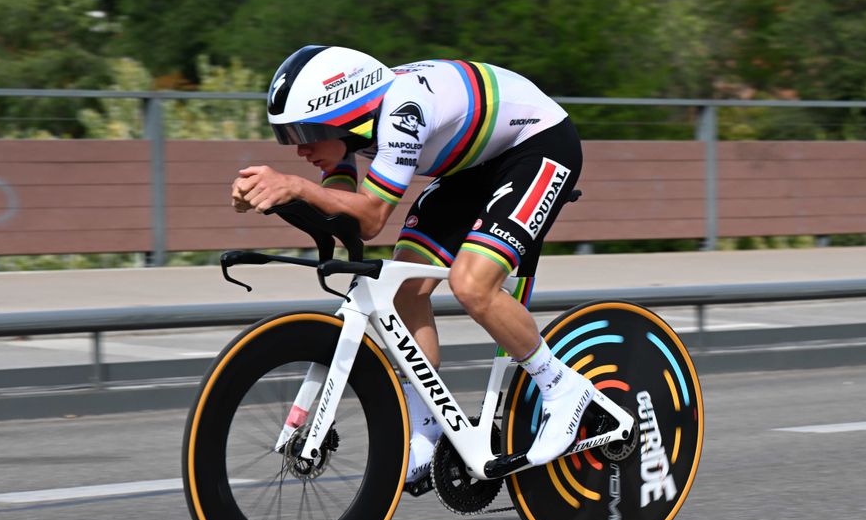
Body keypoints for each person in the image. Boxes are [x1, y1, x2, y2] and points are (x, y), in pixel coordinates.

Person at [231, 45, 594, 485]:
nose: (300, 149)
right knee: (404, 290)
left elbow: (371, 217)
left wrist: (294, 187)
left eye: (306, 133)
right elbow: (342, 204)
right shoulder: (355, 130)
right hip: (473, 167)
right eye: (290, 137)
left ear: (346, 116)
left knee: (472, 285)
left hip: (537, 145)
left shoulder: (404, 111)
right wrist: (278, 199)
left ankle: (563, 388)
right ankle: (427, 426)